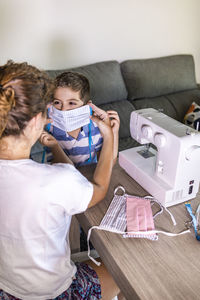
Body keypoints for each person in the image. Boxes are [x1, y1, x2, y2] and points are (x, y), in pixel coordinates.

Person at [0, 61, 121, 300]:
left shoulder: (59, 180)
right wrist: (109, 136)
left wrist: (56, 147)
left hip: (6, 287)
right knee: (125, 271)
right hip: (52, 293)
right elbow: (99, 188)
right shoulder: (57, 181)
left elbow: (67, 179)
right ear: (36, 121)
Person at [47, 71, 120, 166]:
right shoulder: (49, 128)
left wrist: (113, 132)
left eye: (71, 103)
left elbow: (109, 163)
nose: (64, 110)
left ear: (86, 106)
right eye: (57, 102)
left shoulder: (96, 128)